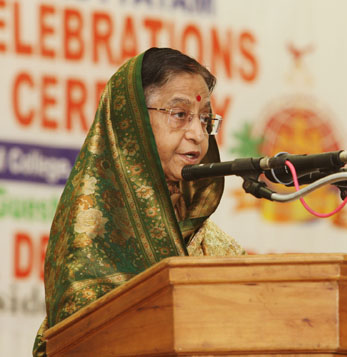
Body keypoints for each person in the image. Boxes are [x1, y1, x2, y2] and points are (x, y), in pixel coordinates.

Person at [33, 48, 245, 356]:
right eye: (180, 115)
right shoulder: (91, 235)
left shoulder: (220, 249)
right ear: (130, 121)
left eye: (204, 118)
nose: (198, 134)